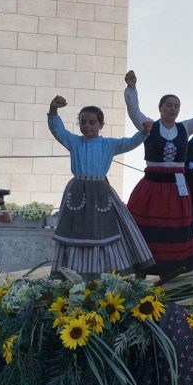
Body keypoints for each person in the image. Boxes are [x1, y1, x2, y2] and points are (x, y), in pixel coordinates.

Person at [124, 70, 193, 283]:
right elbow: (133, 111)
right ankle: (141, 263)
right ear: (160, 108)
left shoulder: (185, 127)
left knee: (173, 227)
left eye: (176, 106)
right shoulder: (149, 125)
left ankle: (171, 266)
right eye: (169, 105)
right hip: (152, 184)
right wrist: (132, 88)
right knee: (145, 225)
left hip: (176, 185)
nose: (173, 109)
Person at [46, 96, 154, 276]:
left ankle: (105, 271)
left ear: (101, 125)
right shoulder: (73, 141)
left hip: (101, 192)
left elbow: (129, 143)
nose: (87, 126)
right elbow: (58, 130)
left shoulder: (109, 144)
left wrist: (143, 133)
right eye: (83, 122)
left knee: (105, 231)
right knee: (75, 231)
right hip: (77, 192)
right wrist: (53, 110)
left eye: (92, 122)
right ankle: (74, 271)